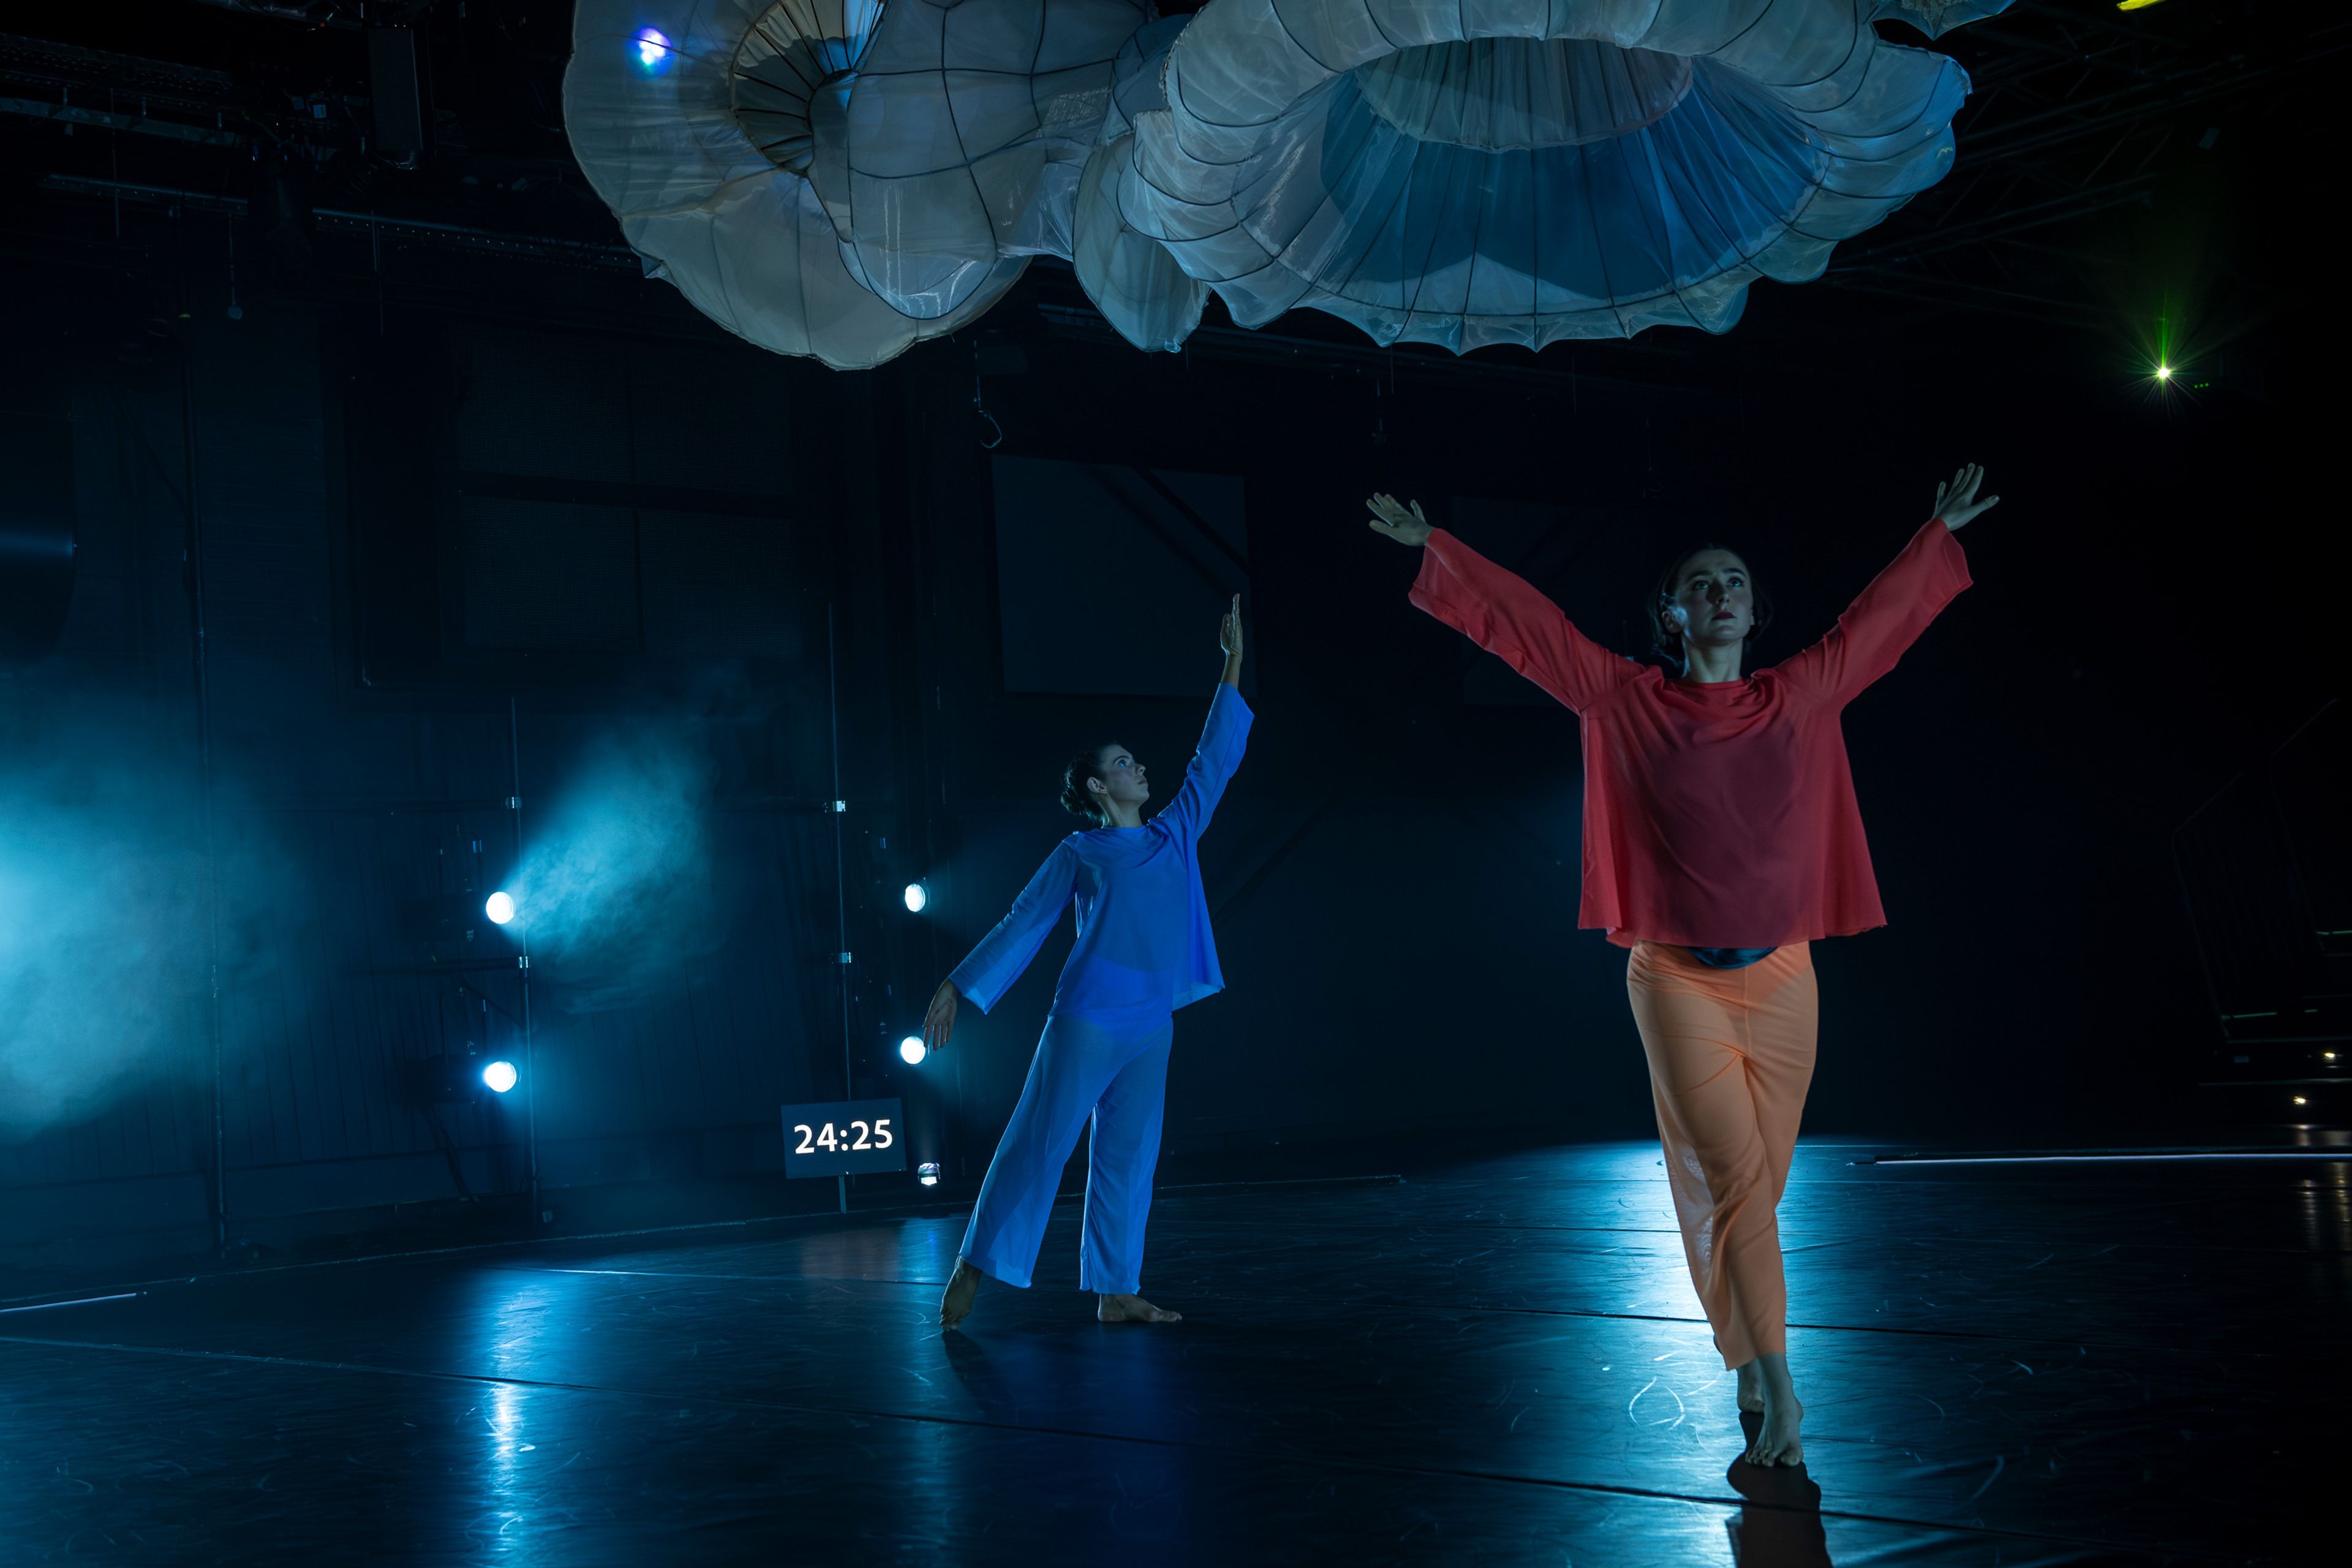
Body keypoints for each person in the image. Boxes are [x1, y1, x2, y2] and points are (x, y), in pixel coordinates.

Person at [1366, 469, 2000, 1467]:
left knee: (1756, 1188)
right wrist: (1435, 548)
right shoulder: (1627, 701)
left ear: (1752, 608)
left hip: (1786, 977)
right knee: (1741, 1182)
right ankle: (1784, 1395)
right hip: (1677, 980)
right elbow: (1529, 627)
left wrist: (1933, 535)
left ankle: (1743, 1352)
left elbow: (1876, 625)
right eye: (1700, 583)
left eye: (1734, 580)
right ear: (1672, 612)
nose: (1720, 591)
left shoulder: (1799, 694)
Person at [926, 595, 1251, 1330]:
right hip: (1086, 1019)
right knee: (1039, 1145)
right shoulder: (1081, 851)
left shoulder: (1175, 833)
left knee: (1129, 1157)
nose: (1140, 766)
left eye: (1135, 760)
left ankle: (1116, 1289)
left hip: (1151, 1023)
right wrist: (958, 984)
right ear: (1100, 789)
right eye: (1123, 764)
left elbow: (1216, 759)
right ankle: (973, 1266)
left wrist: (1233, 661)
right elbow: (1024, 922)